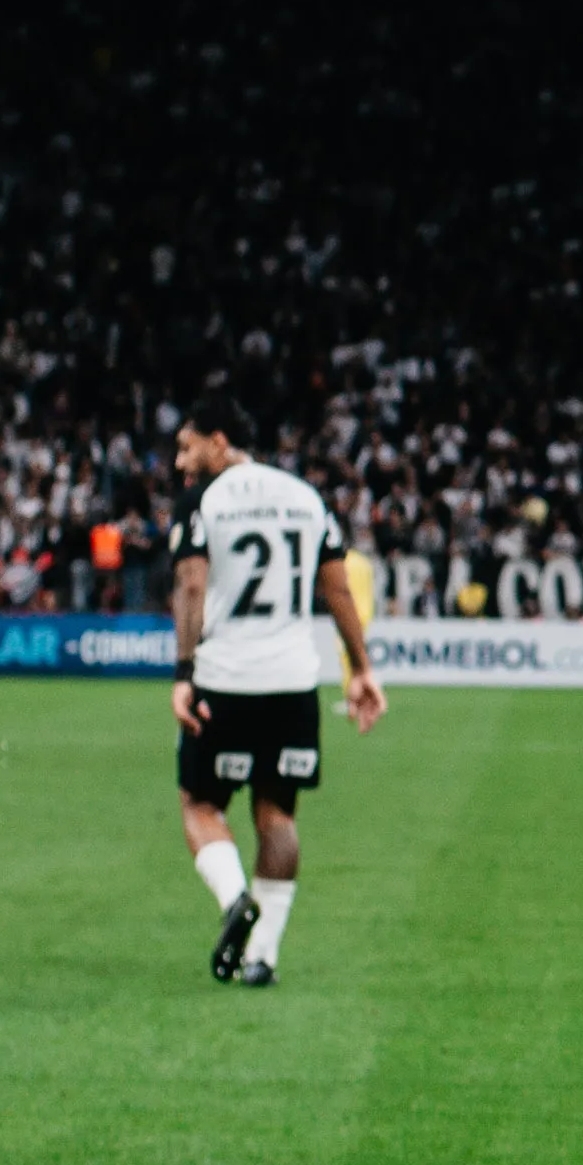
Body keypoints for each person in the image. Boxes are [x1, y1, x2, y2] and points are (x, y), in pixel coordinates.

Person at [165, 402, 386, 987]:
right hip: (291, 683)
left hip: (225, 679)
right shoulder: (305, 498)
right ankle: (262, 955)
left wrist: (184, 672)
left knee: (200, 805)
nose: (181, 463)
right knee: (278, 815)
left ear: (220, 441)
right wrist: (361, 668)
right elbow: (336, 588)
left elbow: (191, 585)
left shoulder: (203, 502)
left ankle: (235, 898)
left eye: (189, 448)